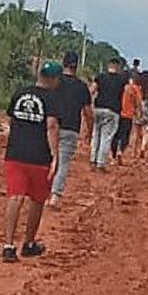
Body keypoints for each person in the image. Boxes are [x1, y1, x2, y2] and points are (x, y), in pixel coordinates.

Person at [2, 61, 62, 262]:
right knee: (37, 199)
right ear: (53, 79)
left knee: (15, 197)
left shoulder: (20, 93)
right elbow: (51, 126)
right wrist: (55, 155)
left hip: (15, 153)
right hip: (38, 156)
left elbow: (11, 120)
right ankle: (28, 243)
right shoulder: (53, 98)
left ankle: (8, 245)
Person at [49, 50, 93, 205]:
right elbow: (88, 112)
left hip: (50, 126)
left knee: (47, 159)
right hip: (71, 129)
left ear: (63, 63)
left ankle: (42, 190)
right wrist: (89, 130)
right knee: (63, 162)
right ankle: (55, 195)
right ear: (77, 66)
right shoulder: (82, 87)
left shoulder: (54, 82)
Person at [90, 58, 124, 169]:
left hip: (98, 108)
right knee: (106, 137)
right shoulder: (122, 80)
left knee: (96, 135)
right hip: (112, 111)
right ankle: (100, 163)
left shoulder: (100, 77)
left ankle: (92, 160)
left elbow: (92, 90)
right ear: (118, 67)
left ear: (108, 65)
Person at [114, 67, 144, 165]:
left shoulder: (121, 86)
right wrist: (140, 113)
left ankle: (113, 155)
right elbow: (139, 102)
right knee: (125, 137)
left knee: (116, 135)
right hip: (128, 115)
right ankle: (120, 152)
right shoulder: (135, 89)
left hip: (118, 113)